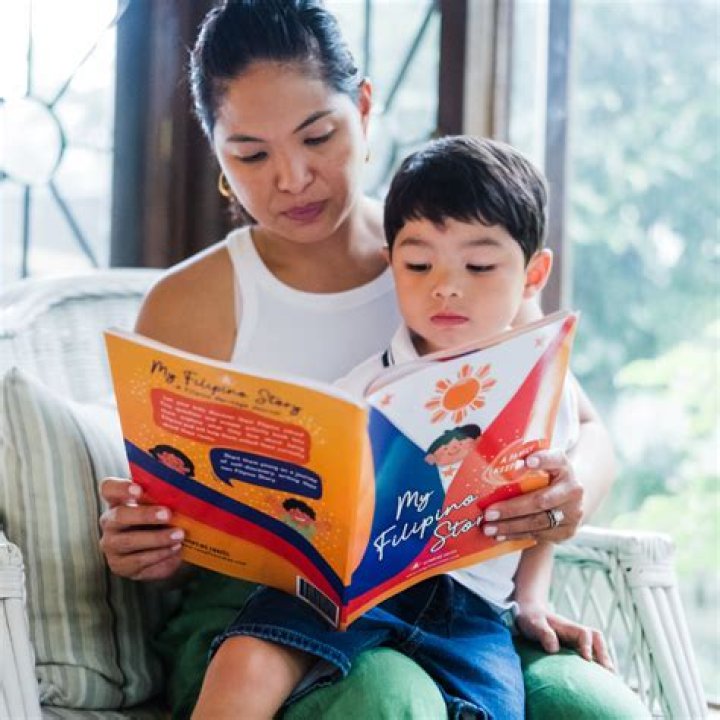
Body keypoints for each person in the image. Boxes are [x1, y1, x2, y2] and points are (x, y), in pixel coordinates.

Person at [98, 2, 644, 718]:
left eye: (317, 135)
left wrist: (565, 500)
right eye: (251, 154)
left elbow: (581, 426)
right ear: (215, 152)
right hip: (262, 611)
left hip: (459, 599)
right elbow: (172, 511)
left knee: (593, 707)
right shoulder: (186, 304)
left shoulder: (451, 251)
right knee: (389, 695)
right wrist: (146, 547)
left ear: (362, 107)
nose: (293, 177)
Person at [191, 135, 612, 720]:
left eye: (479, 266)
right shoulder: (361, 389)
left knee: (493, 709)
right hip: (351, 591)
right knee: (248, 656)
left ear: (533, 274)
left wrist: (532, 602)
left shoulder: (542, 386)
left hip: (470, 613)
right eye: (418, 264)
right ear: (393, 265)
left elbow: (542, 514)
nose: (446, 286)